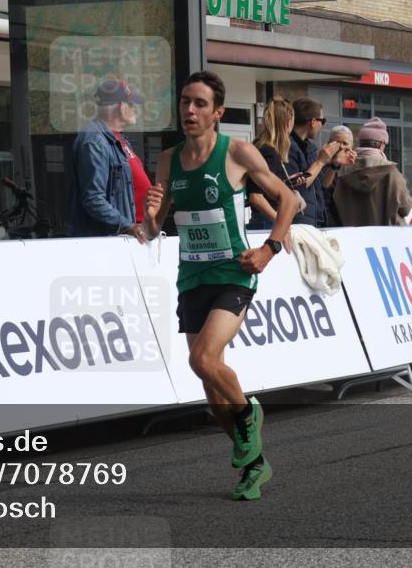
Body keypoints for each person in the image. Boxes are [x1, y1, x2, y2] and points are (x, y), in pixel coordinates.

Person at [143, 71, 298, 501]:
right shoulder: (168, 160)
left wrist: (269, 249)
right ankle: (254, 465)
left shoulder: (238, 153)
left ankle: (250, 414)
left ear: (217, 113)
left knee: (204, 356)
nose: (189, 111)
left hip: (234, 271)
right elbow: (154, 229)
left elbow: (289, 200)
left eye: (199, 104)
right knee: (209, 384)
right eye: (184, 103)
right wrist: (151, 214)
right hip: (192, 276)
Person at [67, 78, 150, 241]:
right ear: (121, 106)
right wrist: (127, 226)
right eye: (132, 104)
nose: (135, 109)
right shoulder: (95, 140)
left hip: (133, 239)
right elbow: (93, 199)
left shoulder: (118, 139)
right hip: (114, 242)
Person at [333, 118, 412, 226]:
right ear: (382, 144)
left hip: (351, 238)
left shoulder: (343, 171)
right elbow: (406, 209)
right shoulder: (391, 173)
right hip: (385, 239)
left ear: (360, 143)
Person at [285, 97, 349, 227]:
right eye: (322, 121)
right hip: (298, 221)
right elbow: (296, 186)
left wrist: (334, 165)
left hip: (315, 219)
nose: (322, 126)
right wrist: (320, 162)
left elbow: (322, 185)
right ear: (313, 122)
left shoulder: (311, 148)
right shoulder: (288, 147)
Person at [247, 96, 296, 231]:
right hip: (267, 222)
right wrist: (281, 223)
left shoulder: (261, 147)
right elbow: (256, 196)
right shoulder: (269, 152)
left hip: (263, 220)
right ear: (288, 122)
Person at [323, 125, 357, 227]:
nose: (341, 147)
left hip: (351, 222)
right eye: (337, 142)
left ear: (352, 146)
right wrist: (335, 164)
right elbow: (324, 185)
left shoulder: (356, 166)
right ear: (330, 144)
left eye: (345, 143)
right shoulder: (321, 162)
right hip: (328, 222)